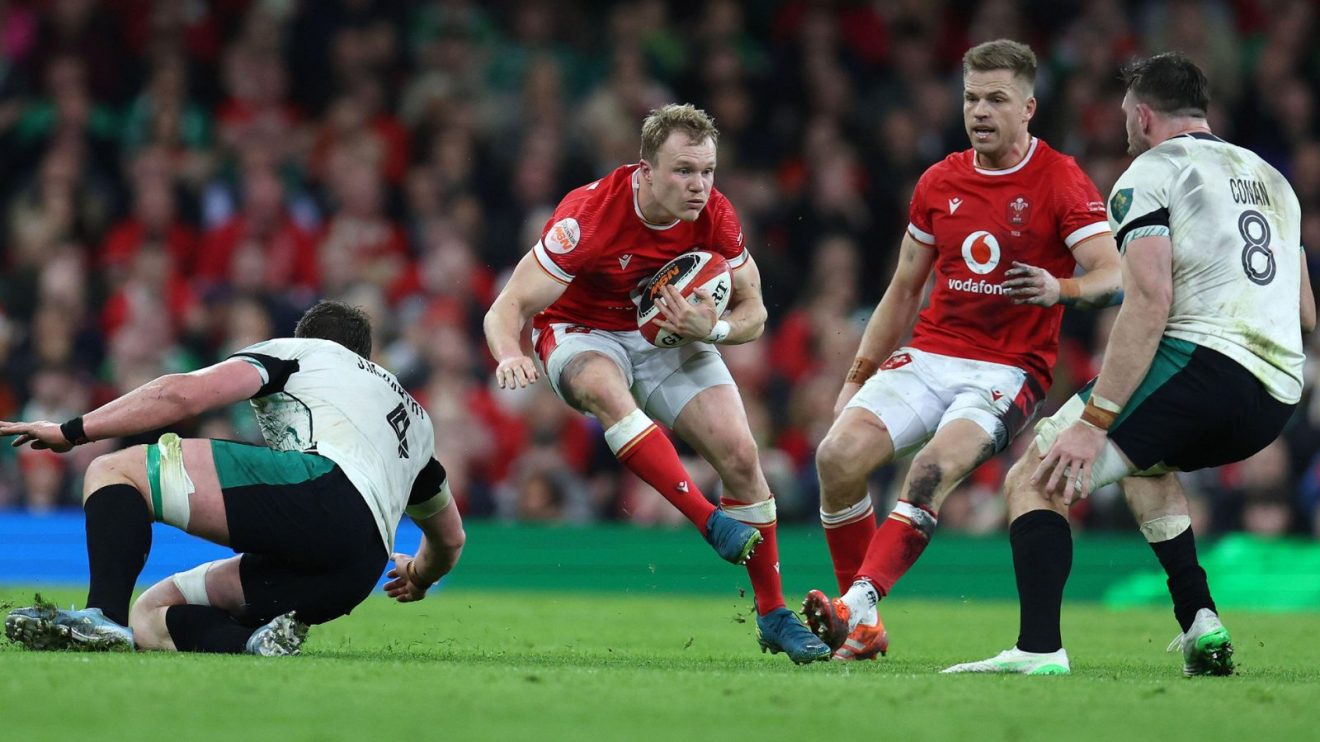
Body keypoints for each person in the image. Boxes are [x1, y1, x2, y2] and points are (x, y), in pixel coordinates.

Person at [946, 52, 1312, 676]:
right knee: (1147, 459)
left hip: (1205, 366)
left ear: (1143, 116)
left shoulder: (1150, 171)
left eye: (1124, 115)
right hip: (1278, 393)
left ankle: (1038, 651)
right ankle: (1201, 622)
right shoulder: (1272, 178)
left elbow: (1150, 299)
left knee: (1036, 476)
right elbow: (1304, 311)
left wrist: (1095, 419)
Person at [801, 39, 1123, 661]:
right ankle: (861, 625)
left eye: (996, 99)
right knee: (836, 457)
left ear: (1028, 107)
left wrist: (1061, 287)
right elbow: (902, 289)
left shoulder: (1060, 179)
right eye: (972, 98)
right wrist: (857, 375)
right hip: (930, 355)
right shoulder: (939, 180)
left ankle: (857, 604)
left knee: (928, 473)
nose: (979, 111)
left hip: (1008, 369)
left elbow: (1112, 274)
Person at [483, 103, 829, 663]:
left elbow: (756, 313)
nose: (699, 185)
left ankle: (773, 615)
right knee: (603, 387)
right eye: (683, 171)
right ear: (646, 171)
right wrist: (508, 355)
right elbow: (507, 307)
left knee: (742, 456)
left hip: (669, 335)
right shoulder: (588, 216)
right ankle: (706, 519)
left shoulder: (715, 213)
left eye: (707, 171)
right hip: (582, 331)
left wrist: (710, 327)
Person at [3, 300, 465, 655]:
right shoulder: (415, 418)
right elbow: (450, 539)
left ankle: (100, 615)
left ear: (311, 336)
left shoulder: (300, 352)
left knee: (112, 468)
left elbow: (180, 396)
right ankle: (252, 644)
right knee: (152, 615)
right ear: (367, 355)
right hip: (356, 571)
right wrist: (419, 577)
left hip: (318, 492)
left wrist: (72, 430)